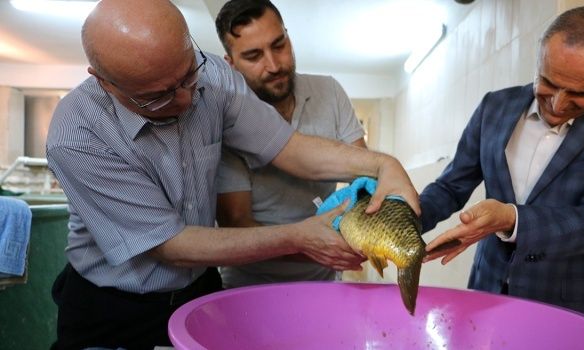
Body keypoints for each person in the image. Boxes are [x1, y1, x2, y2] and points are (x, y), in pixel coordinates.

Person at [45, 0, 419, 348]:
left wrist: (383, 164)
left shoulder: (215, 77)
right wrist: (300, 237)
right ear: (104, 82)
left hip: (199, 290)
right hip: (114, 305)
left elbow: (287, 147)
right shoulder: (77, 137)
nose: (187, 99)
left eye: (189, 75)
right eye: (158, 97)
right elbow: (170, 245)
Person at [420, 6, 584, 318]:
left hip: (565, 300)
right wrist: (399, 220)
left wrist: (511, 218)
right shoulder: (494, 106)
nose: (558, 104)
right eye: (548, 83)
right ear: (539, 59)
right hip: (487, 286)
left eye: (581, 94)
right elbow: (450, 187)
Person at [213, 0, 367, 288]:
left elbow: (362, 174)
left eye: (279, 45)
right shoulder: (226, 119)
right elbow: (237, 222)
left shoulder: (330, 92)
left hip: (326, 276)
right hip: (250, 285)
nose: (274, 65)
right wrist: (317, 247)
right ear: (230, 63)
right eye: (253, 56)